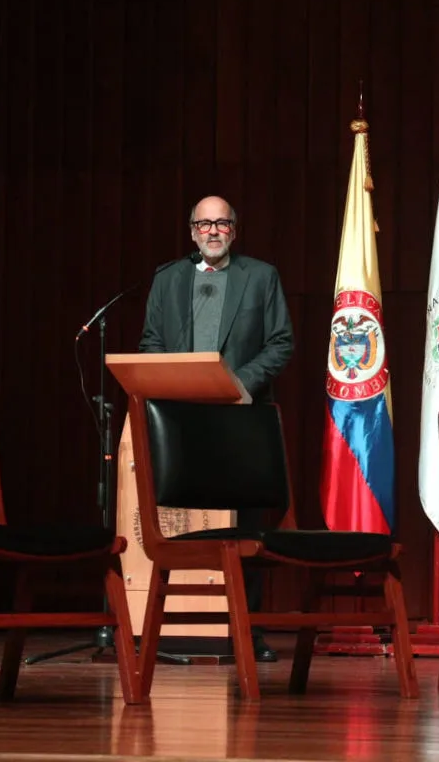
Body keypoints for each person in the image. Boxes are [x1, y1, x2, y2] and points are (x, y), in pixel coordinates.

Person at [138, 194, 294, 662]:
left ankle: (249, 631)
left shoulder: (261, 277)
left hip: (241, 418)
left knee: (244, 530)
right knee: (182, 523)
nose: (212, 231)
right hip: (183, 422)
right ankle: (170, 628)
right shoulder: (167, 279)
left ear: (234, 230)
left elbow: (281, 342)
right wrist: (174, 381)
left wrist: (237, 382)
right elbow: (150, 342)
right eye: (204, 224)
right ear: (191, 232)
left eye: (221, 224)